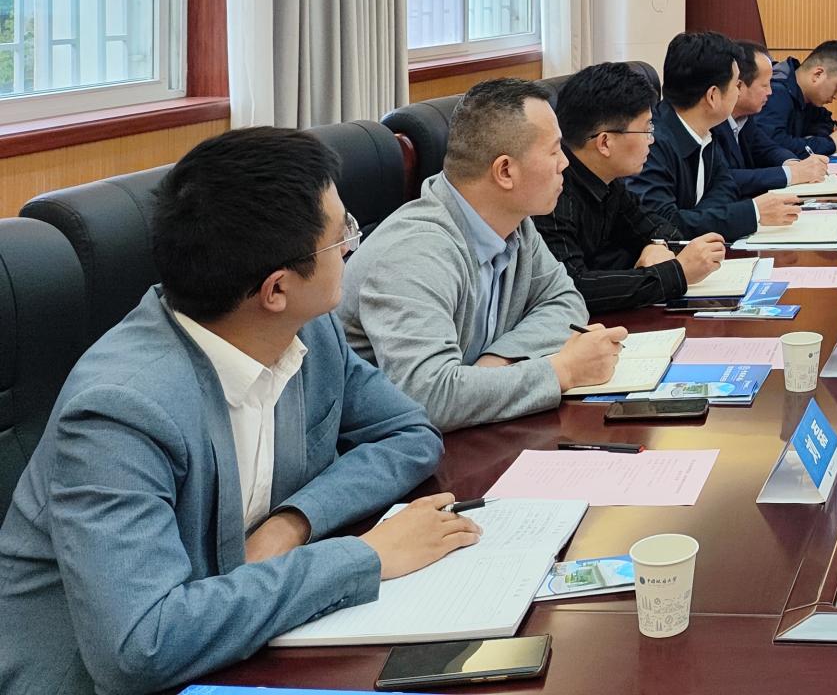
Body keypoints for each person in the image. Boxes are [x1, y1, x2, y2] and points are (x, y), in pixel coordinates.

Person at [0, 128, 475, 695]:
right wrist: (364, 557)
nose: (353, 245)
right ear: (276, 289)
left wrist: (292, 523)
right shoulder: (120, 410)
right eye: (341, 235)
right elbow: (139, 648)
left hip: (237, 641)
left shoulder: (306, 329)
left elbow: (409, 433)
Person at [340, 78, 626, 432]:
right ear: (505, 171)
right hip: (382, 445)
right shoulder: (413, 254)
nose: (565, 163)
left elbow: (564, 300)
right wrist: (562, 370)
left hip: (469, 431)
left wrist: (498, 360)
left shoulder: (514, 223)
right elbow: (428, 397)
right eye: (554, 151)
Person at [533, 62, 728, 318]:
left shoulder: (608, 180)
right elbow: (575, 287)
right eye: (646, 129)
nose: (652, 139)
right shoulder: (552, 195)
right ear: (605, 142)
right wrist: (676, 272)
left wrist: (655, 246)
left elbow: (655, 227)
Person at [636, 31, 803, 242]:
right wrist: (752, 213)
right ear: (713, 96)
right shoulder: (650, 143)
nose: (738, 93)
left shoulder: (707, 130)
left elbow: (726, 187)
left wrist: (697, 217)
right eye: (736, 85)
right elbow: (664, 226)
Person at [717, 41, 832, 196]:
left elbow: (767, 149)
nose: (770, 92)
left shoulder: (744, 118)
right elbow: (724, 178)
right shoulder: (714, 123)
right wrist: (791, 174)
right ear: (739, 86)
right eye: (765, 85)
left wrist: (794, 164)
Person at [752, 40, 837, 156]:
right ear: (818, 74)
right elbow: (771, 146)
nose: (836, 96)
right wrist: (829, 144)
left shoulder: (808, 98)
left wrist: (812, 140)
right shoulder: (775, 93)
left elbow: (826, 123)